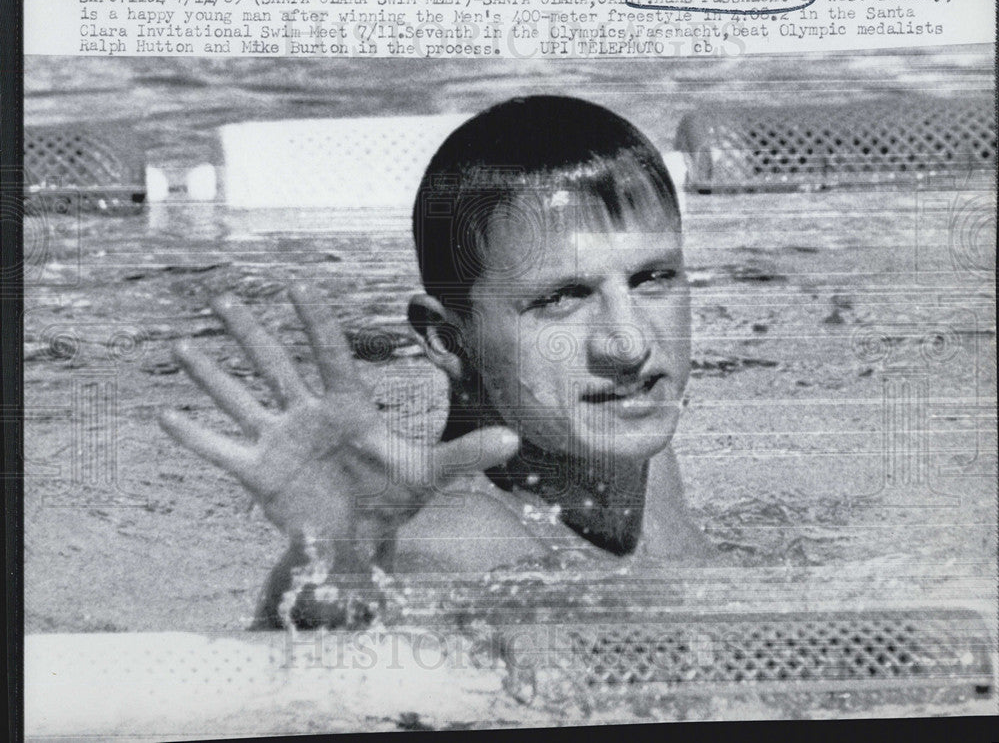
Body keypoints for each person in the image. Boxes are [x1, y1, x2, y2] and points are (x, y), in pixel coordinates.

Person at [160, 95, 718, 630]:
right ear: (448, 341)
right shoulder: (466, 544)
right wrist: (341, 559)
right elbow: (349, 657)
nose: (629, 344)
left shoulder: (631, 445)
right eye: (561, 298)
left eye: (653, 278)